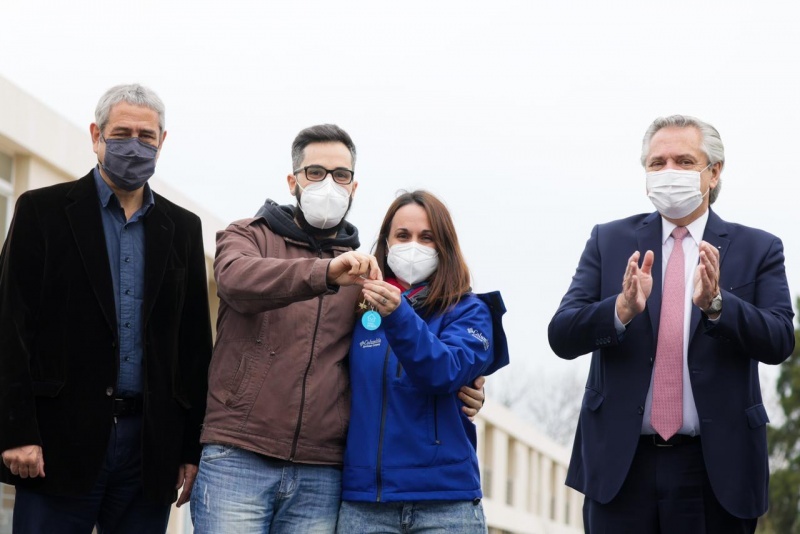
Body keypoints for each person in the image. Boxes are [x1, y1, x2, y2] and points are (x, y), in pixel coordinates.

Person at [190, 125, 486, 533]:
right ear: (292, 180)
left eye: (340, 175)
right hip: (240, 455)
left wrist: (469, 383)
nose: (328, 184)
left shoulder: (366, 277)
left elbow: (403, 357)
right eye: (315, 172)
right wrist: (324, 272)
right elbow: (236, 280)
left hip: (321, 471)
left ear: (354, 186)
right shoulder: (249, 235)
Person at [548, 115, 795, 533]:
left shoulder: (759, 248)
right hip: (621, 467)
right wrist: (621, 310)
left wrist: (718, 305)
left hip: (717, 470)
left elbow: (779, 340)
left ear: (713, 172)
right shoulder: (608, 241)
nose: (669, 173)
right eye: (657, 163)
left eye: (683, 161)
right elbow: (563, 334)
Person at [0, 84, 213, 533]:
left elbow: (194, 346)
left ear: (162, 141)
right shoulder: (43, 211)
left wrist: (190, 450)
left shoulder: (183, 228)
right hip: (57, 444)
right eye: (122, 133)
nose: (134, 145)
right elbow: (9, 326)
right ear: (96, 135)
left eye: (146, 135)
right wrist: (17, 431)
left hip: (148, 452)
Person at [336, 190, 509, 533]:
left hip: (446, 504)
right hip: (364, 504)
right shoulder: (354, 304)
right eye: (403, 236)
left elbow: (444, 371)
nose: (413, 246)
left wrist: (399, 314)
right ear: (386, 242)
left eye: (426, 237)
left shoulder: (470, 310)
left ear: (444, 246)